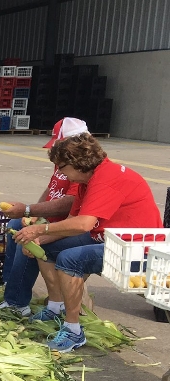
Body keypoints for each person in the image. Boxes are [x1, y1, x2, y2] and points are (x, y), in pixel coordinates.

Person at [14, 133, 162, 352]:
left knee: (70, 260)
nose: (61, 174)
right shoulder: (88, 180)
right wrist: (40, 239)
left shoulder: (106, 178)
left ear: (76, 163)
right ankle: (56, 307)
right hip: (109, 238)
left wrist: (40, 228)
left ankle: (73, 331)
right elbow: (72, 221)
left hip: (136, 247)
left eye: (61, 168)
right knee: (44, 248)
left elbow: (83, 224)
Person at [0, 118, 86, 316]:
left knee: (26, 238)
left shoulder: (80, 166)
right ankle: (8, 283)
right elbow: (52, 187)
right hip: (52, 217)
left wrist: (31, 213)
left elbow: (71, 203)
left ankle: (17, 302)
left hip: (68, 222)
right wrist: (34, 213)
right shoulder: (63, 159)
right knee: (13, 225)